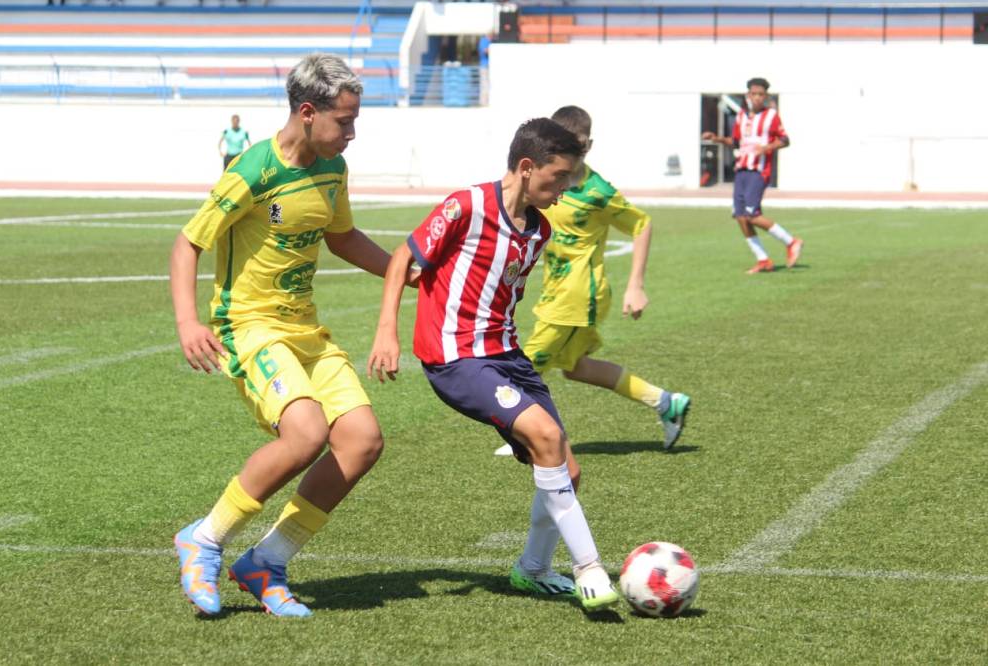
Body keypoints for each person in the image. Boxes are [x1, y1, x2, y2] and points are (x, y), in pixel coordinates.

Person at [170, 53, 394, 618]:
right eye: (344, 121)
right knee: (305, 432)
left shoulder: (332, 169)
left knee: (363, 441)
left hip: (305, 328)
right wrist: (187, 322)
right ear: (308, 112)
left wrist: (404, 271)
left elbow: (342, 238)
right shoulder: (253, 170)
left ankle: (267, 560)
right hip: (250, 327)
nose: (352, 133)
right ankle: (206, 539)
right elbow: (187, 244)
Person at [368, 118, 621, 612]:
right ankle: (590, 570)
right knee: (547, 439)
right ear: (527, 167)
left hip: (507, 356)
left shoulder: (538, 229)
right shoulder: (465, 206)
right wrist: (387, 331)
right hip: (456, 357)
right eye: (558, 178)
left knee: (566, 468)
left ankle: (531, 570)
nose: (564, 189)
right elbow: (404, 257)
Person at [493, 106, 690, 459]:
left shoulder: (598, 192)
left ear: (588, 143)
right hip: (558, 290)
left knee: (528, 361)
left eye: (578, 143)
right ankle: (665, 402)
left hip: (579, 294)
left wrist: (636, 285)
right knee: (577, 368)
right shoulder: (548, 180)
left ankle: (528, 435)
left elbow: (641, 224)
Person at [702, 77, 803, 274]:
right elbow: (736, 141)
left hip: (759, 170)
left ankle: (791, 242)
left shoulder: (771, 116)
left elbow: (785, 140)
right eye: (753, 94)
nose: (757, 98)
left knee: (752, 215)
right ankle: (763, 259)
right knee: (740, 216)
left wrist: (765, 148)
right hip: (741, 170)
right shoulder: (741, 116)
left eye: (761, 95)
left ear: (765, 96)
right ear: (748, 95)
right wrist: (716, 138)